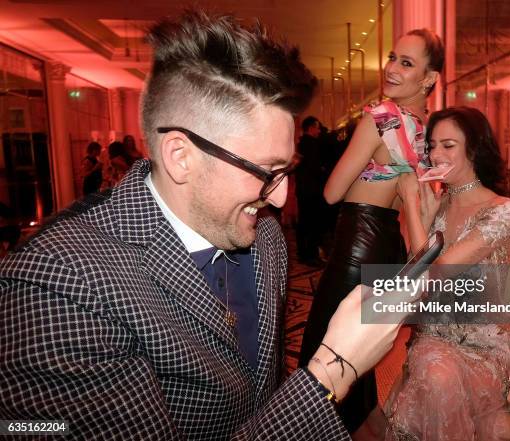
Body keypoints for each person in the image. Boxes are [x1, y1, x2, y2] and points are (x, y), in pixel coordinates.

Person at [0, 11, 410, 440]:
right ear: (181, 156)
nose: (282, 197)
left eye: (285, 170)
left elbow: (259, 390)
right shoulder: (56, 285)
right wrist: (332, 370)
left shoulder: (265, 237)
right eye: (266, 171)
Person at [299, 28, 444, 434]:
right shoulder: (428, 130)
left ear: (429, 78)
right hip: (390, 246)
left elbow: (331, 194)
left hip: (357, 243)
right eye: (393, 57)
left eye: (407, 63)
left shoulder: (380, 118)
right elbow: (424, 199)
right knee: (359, 360)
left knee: (324, 358)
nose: (392, 68)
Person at [384, 107, 510, 441]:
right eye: (432, 145)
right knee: (432, 376)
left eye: (448, 145)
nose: (435, 155)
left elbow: (436, 272)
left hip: (484, 347)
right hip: (433, 338)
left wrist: (412, 206)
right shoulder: (441, 204)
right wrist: (426, 212)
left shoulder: (504, 210)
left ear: (474, 149)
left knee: (436, 378)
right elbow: (414, 277)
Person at [295, 116, 325, 267]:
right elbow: (315, 169)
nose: (319, 131)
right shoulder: (312, 144)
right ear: (311, 128)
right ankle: (311, 255)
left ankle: (303, 254)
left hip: (302, 189)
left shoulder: (300, 144)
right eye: (317, 127)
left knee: (303, 223)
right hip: (312, 190)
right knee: (312, 224)